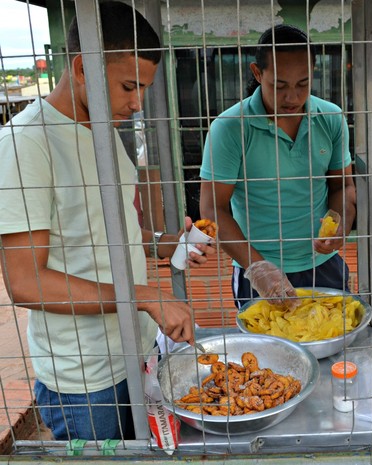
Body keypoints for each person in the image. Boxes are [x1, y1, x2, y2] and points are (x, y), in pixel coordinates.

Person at [0, 1, 213, 441]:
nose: (137, 104)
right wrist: (144, 295)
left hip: (135, 356)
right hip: (84, 383)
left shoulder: (105, 134)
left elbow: (113, 235)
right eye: (128, 87)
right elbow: (26, 283)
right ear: (81, 68)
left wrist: (166, 242)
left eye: (143, 90)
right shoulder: (27, 144)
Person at [200, 24, 356, 310]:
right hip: (258, 269)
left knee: (334, 346)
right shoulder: (230, 128)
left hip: (323, 267)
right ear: (258, 73)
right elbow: (213, 209)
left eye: (303, 84)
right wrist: (258, 267)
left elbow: (342, 186)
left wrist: (340, 223)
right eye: (280, 85)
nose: (293, 98)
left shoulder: (331, 118)